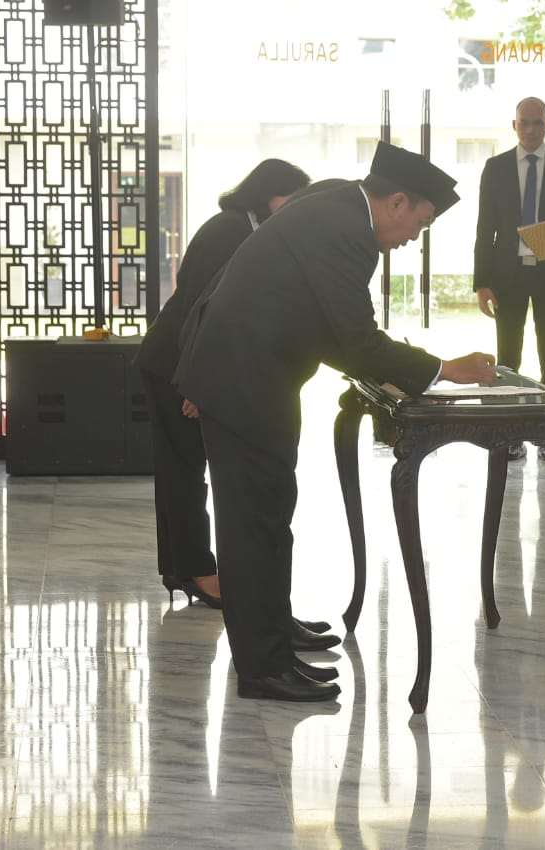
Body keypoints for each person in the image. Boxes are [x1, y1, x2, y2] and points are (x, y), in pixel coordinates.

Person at [175, 142, 497, 702]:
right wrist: (446, 368)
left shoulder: (336, 200)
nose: (413, 238)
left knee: (269, 514)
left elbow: (325, 325)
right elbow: (355, 337)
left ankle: (274, 640)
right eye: (419, 224)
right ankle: (262, 667)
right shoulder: (347, 230)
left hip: (251, 374)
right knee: (252, 524)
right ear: (396, 202)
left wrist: (390, 368)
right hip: (241, 378)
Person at [136, 159, 310, 608]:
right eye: (291, 200)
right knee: (184, 472)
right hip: (174, 361)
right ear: (269, 193)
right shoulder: (229, 230)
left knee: (183, 470)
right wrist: (197, 383)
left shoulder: (248, 230)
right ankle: (195, 570)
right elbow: (202, 310)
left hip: (185, 361)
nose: (295, 211)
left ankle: (183, 566)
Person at [473, 96, 545, 464]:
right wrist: (481, 282)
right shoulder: (496, 168)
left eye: (538, 123)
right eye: (525, 122)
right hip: (507, 274)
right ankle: (511, 433)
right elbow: (484, 228)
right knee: (508, 358)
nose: (531, 129)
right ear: (514, 125)